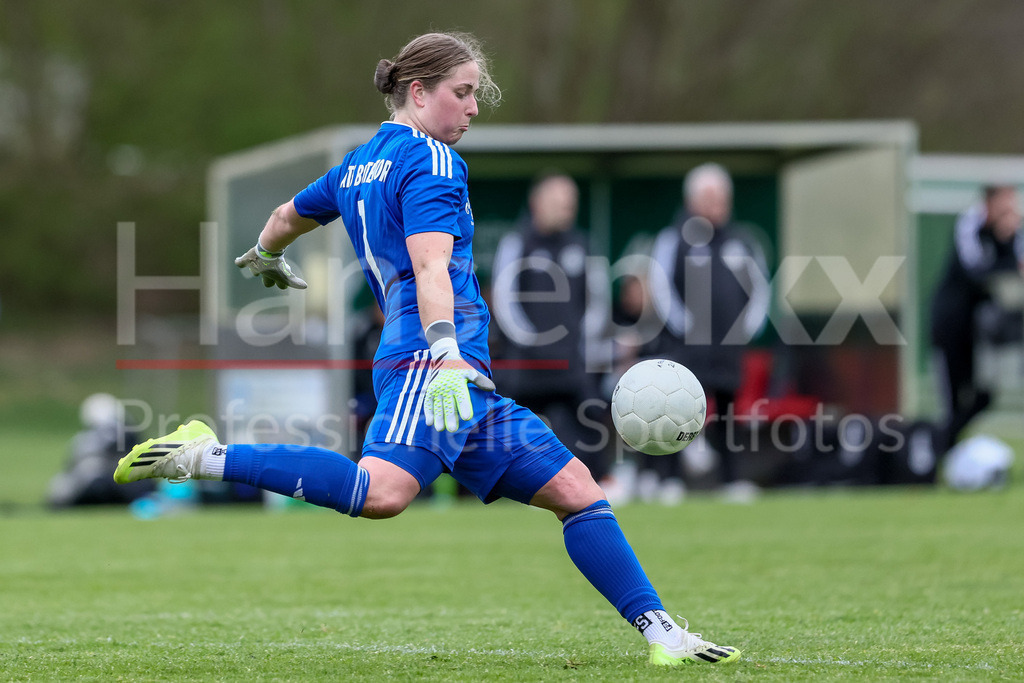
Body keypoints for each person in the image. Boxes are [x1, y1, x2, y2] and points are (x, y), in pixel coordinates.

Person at [113, 32, 739, 667]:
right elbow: (430, 265)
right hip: (432, 363)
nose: (472, 109)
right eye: (461, 93)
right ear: (418, 92)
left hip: (455, 375)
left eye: (476, 96)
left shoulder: (357, 163)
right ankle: (204, 455)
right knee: (380, 493)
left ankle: (663, 634)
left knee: (577, 490)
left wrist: (268, 255)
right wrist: (444, 353)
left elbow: (285, 214)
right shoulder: (434, 161)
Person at [649, 163, 770, 497]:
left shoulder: (742, 241)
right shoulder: (674, 238)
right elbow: (661, 287)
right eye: (709, 196)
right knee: (677, 410)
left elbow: (759, 289)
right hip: (686, 347)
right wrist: (688, 326)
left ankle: (731, 480)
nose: (717, 204)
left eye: (721, 197)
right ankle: (669, 480)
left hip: (728, 347)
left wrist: (742, 329)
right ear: (693, 200)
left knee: (729, 412)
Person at [490, 172, 609, 478]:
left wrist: (575, 342)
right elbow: (504, 301)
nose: (566, 210)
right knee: (505, 427)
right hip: (525, 364)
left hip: (570, 362)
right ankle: (503, 483)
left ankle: (600, 483)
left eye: (571, 204)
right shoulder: (517, 243)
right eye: (559, 203)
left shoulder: (583, 245)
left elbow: (597, 302)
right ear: (537, 203)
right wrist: (533, 341)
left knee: (590, 420)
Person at [930, 185, 1024, 452]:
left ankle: (941, 447)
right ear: (990, 204)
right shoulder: (970, 225)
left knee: (982, 396)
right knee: (953, 400)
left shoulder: (1008, 235)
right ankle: (936, 452)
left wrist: (1007, 239)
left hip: (976, 330)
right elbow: (977, 270)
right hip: (950, 324)